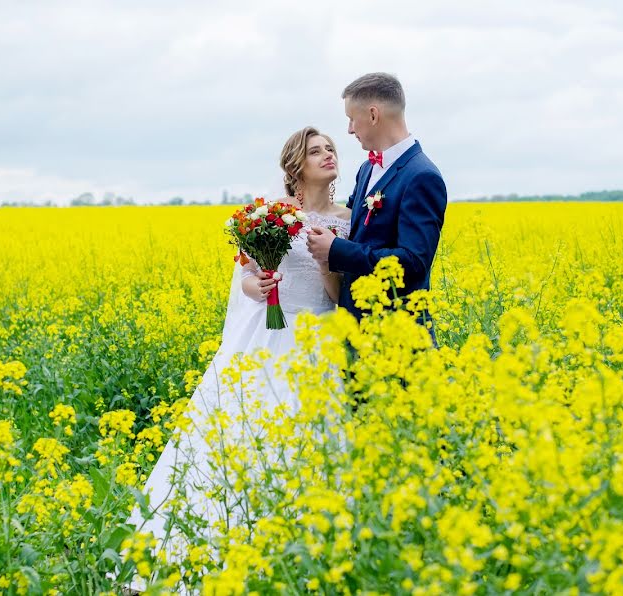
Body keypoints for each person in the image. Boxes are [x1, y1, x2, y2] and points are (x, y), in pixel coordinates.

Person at [125, 127, 350, 589]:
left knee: (315, 439)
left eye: (330, 148)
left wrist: (327, 262)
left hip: (320, 338)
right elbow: (246, 277)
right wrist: (260, 285)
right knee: (247, 434)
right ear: (296, 165)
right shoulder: (269, 214)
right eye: (315, 151)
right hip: (270, 336)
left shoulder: (348, 218)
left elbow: (337, 295)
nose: (327, 155)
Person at [307, 72, 447, 328]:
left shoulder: (421, 176)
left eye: (351, 119)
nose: (349, 130)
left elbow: (413, 262)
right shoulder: (367, 169)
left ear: (373, 115)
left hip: (396, 334)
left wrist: (336, 250)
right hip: (356, 327)